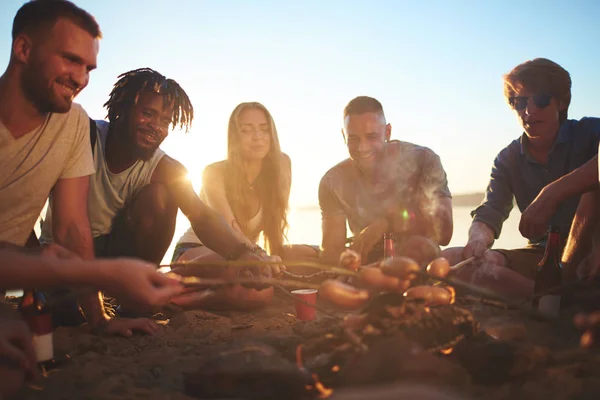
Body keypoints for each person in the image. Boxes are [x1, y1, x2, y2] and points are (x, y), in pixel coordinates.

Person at [40, 69, 276, 309]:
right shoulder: (85, 137)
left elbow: (201, 216)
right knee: (60, 316)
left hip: (115, 254)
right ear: (122, 108)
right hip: (64, 254)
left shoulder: (166, 168)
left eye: (165, 121)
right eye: (147, 114)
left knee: (161, 197)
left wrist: (243, 255)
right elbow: (40, 205)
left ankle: (134, 303)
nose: (156, 127)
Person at [0, 0, 156, 337]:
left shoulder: (72, 124)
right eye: (71, 60)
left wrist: (99, 319)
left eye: (89, 68)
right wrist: (46, 266)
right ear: (24, 49)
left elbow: (73, 227)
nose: (81, 79)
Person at [442, 58, 600, 298]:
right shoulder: (508, 158)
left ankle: (555, 296)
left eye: (541, 100)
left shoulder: (589, 132)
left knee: (593, 188)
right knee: (451, 259)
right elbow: (491, 210)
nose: (529, 111)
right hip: (541, 256)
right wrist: (478, 239)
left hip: (593, 251)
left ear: (561, 102)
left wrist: (553, 193)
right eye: (520, 102)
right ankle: (553, 300)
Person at [172, 102, 318, 310]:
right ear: (234, 137)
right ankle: (175, 297)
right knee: (242, 273)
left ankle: (189, 299)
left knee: (261, 293)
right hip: (199, 253)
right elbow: (230, 231)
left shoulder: (282, 166)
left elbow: (274, 229)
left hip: (246, 260)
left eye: (264, 129)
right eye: (246, 130)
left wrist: (274, 259)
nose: (257, 136)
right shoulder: (214, 173)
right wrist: (260, 257)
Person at [319, 96, 453, 266]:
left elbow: (444, 232)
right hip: (368, 273)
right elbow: (331, 252)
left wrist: (385, 224)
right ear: (343, 135)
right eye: (353, 138)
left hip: (424, 269)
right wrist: (345, 259)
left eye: (371, 136)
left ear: (387, 132)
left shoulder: (424, 160)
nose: (362, 147)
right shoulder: (332, 182)